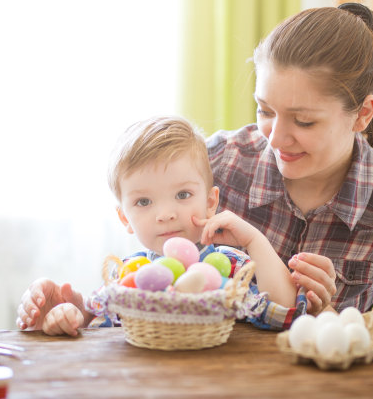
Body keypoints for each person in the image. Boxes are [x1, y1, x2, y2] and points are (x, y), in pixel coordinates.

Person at [207, 2, 373, 317]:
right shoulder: (216, 163)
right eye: (265, 111)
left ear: (362, 114)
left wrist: (328, 315)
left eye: (304, 121)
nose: (274, 138)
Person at [16, 116, 298, 336]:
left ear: (211, 202)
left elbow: (284, 313)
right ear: (125, 218)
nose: (164, 214)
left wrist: (254, 240)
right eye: (144, 202)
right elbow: (97, 327)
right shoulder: (129, 274)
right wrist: (69, 315)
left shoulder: (229, 265)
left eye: (182, 195)